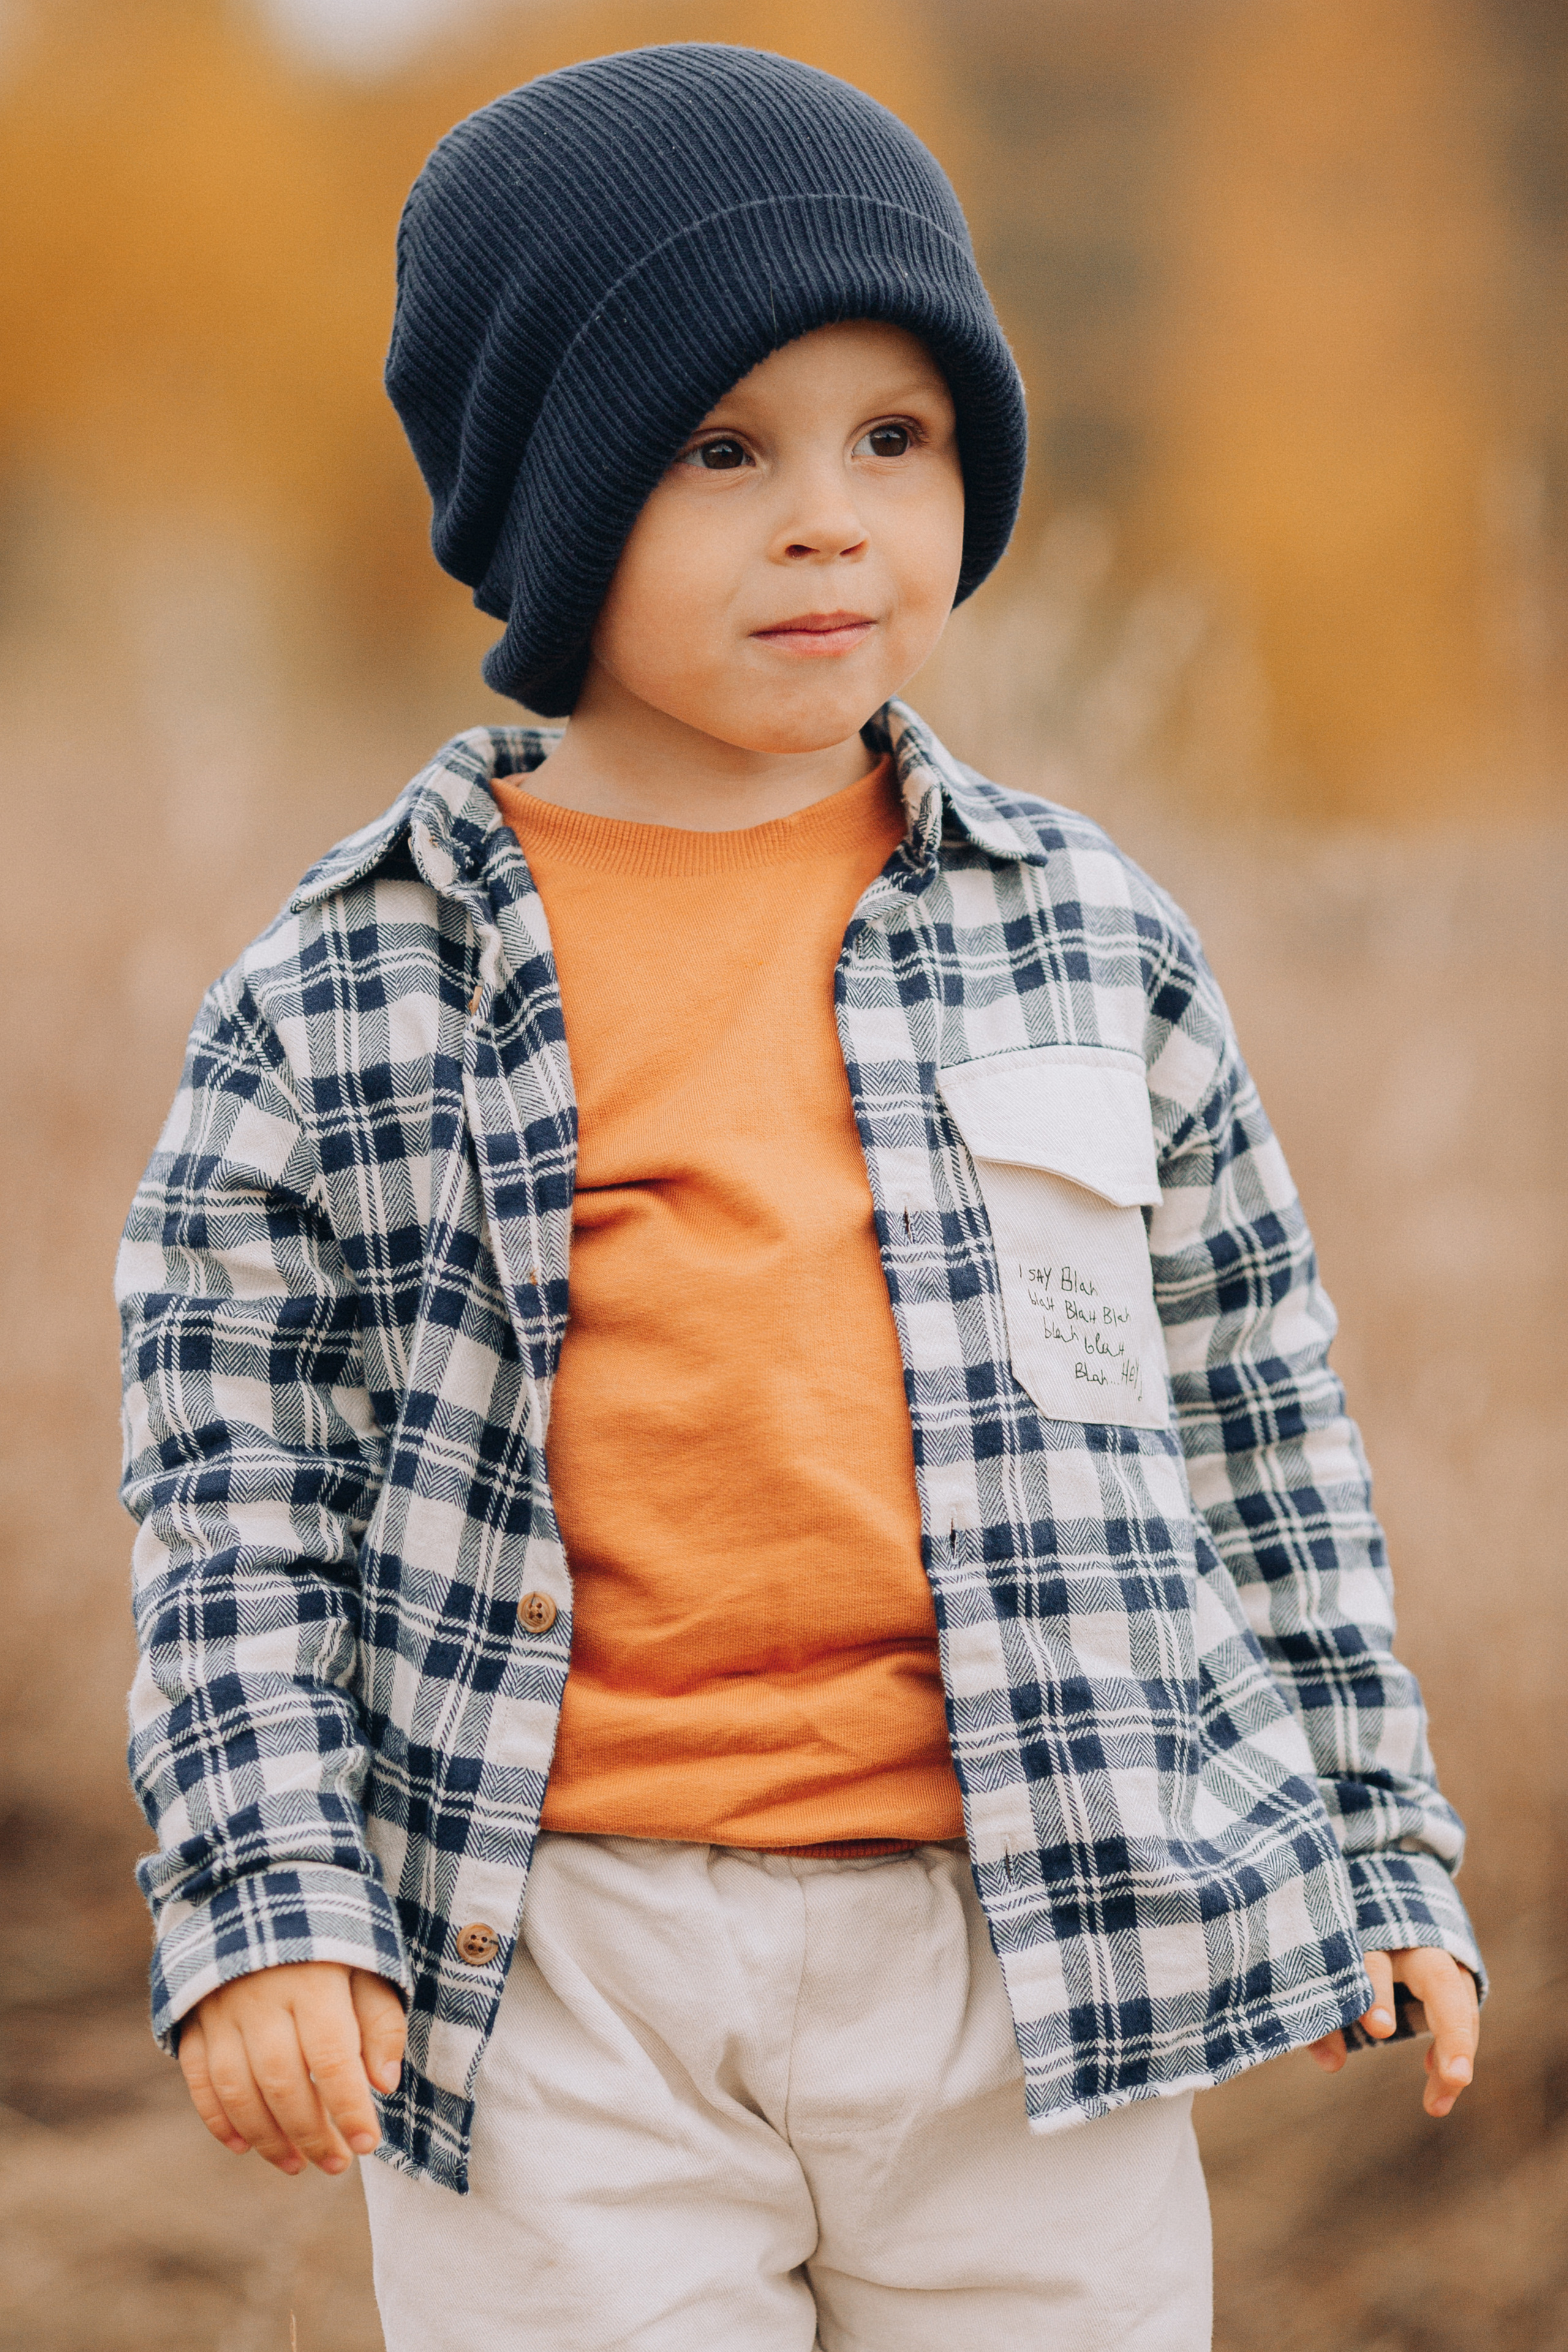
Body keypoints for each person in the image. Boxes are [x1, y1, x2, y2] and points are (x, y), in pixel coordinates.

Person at [117, 44, 1482, 2352]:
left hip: (1028, 1944)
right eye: (724, 450)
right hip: (551, 1967)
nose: (834, 519)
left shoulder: (1088, 935)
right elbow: (229, 1482)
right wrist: (268, 1903)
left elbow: (1256, 1407)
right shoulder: (346, 993)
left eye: (898, 438)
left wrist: (1379, 1835)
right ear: (549, 498)